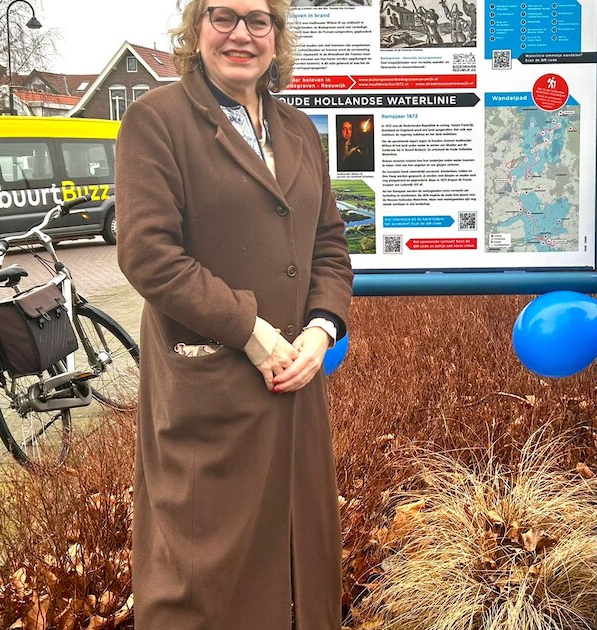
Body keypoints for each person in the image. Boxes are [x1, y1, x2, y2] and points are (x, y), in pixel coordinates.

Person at [114, 0, 354, 627]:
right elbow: (148, 254)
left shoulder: (299, 130)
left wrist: (322, 329)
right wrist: (252, 331)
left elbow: (330, 243)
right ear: (196, 29)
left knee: (301, 571)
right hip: (211, 388)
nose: (241, 35)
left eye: (259, 20)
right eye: (224, 17)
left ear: (277, 37)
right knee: (202, 581)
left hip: (297, 384)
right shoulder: (155, 121)